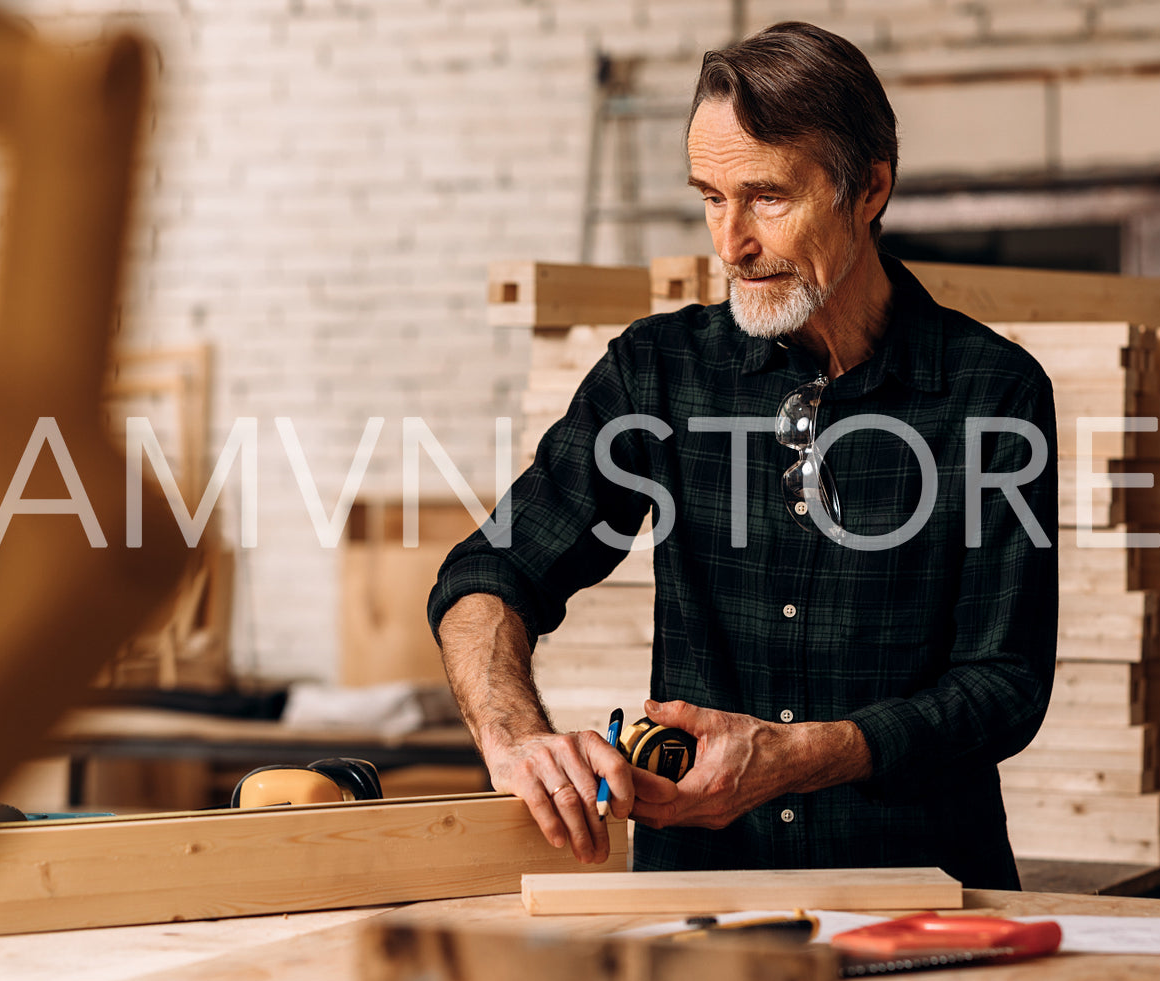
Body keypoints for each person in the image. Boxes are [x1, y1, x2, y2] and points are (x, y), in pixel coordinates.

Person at [428, 21, 1057, 890]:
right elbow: (489, 573)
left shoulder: (991, 392)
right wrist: (514, 738)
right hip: (702, 900)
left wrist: (799, 755)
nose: (730, 244)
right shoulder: (657, 371)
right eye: (710, 198)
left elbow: (1005, 684)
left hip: (922, 894)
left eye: (765, 197)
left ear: (868, 187)